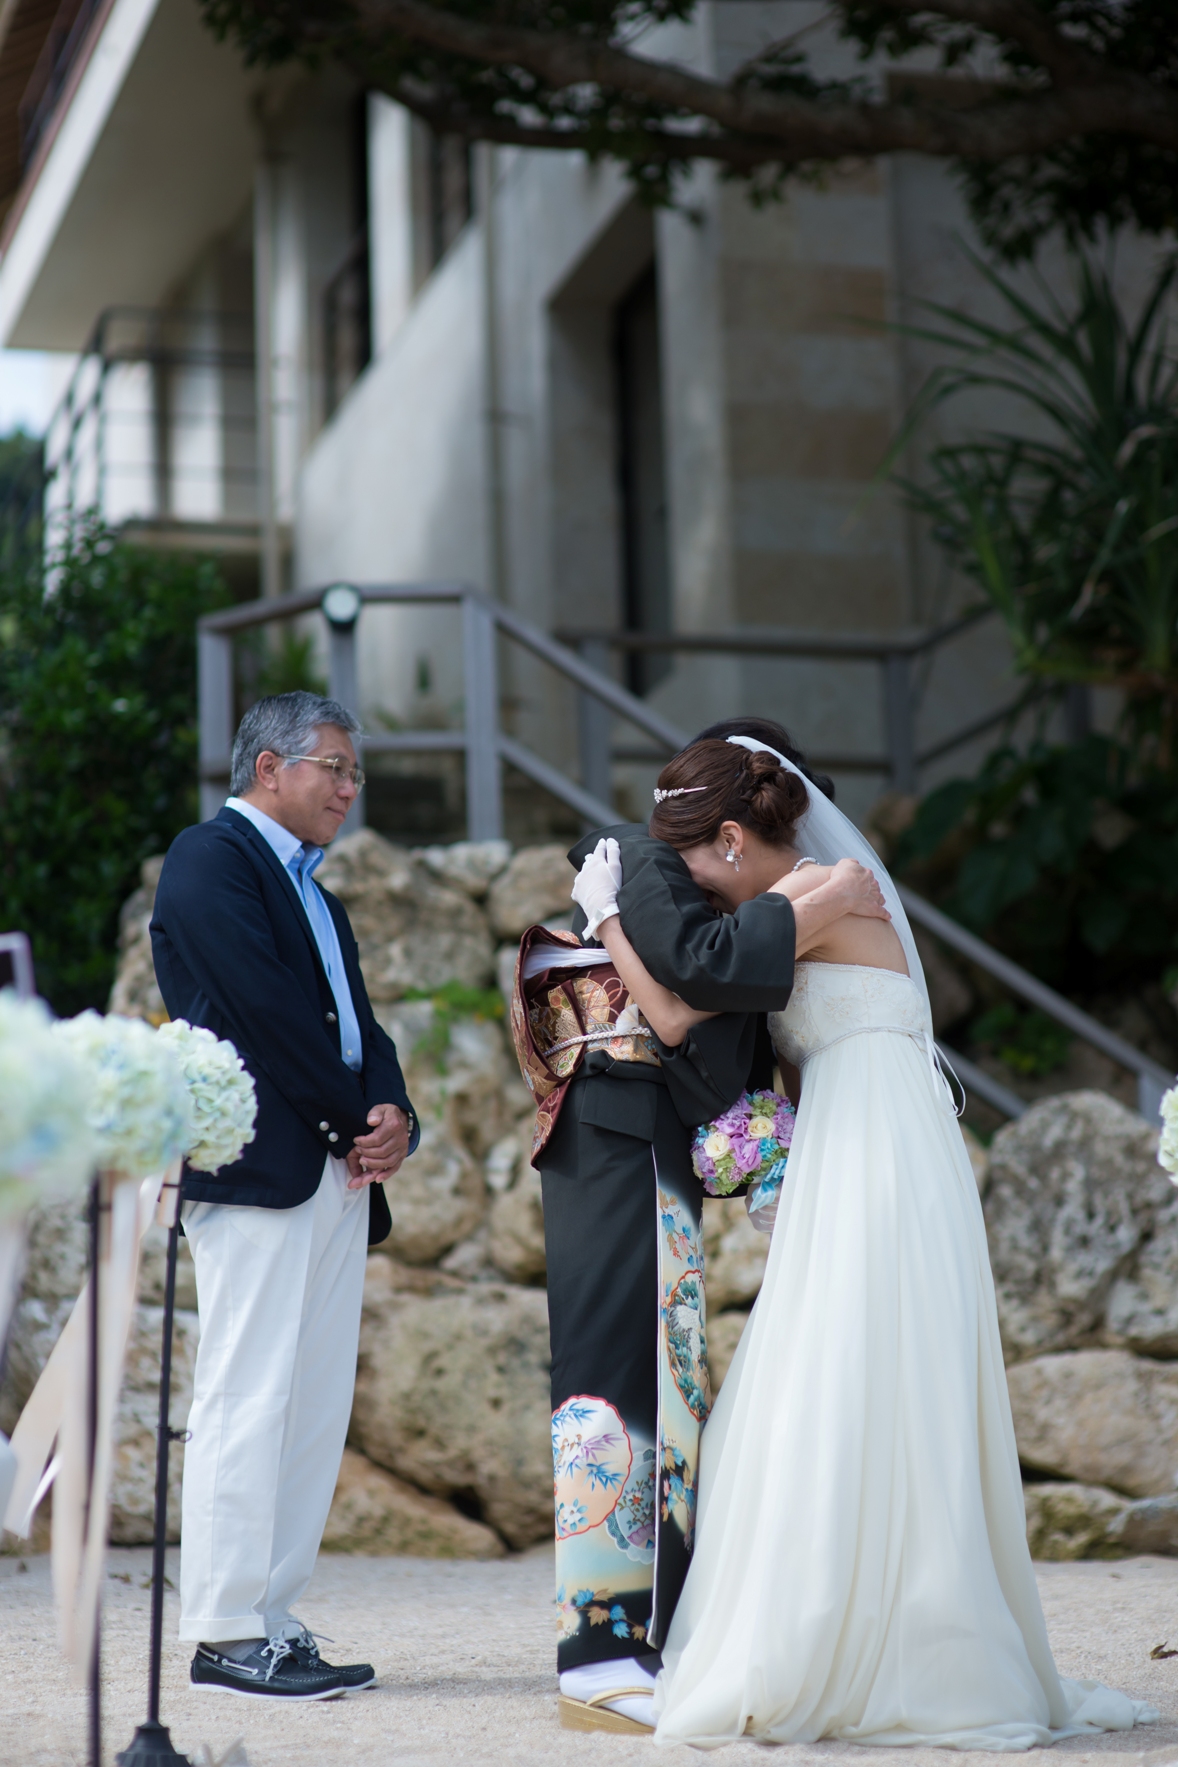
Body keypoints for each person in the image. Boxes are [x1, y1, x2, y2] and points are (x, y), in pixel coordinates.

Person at [583, 735, 1158, 1750]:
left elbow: (672, 1010)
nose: (696, 885)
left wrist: (606, 919)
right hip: (856, 1143)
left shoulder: (823, 892)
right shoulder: (799, 898)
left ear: (733, 838)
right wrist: (775, 1160)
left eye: (700, 862)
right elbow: (784, 1049)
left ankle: (879, 1644)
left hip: (881, 1153)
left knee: (846, 1373)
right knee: (845, 1373)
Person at [526, 740, 890, 1735]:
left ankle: (648, 1628)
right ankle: (597, 1648)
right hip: (615, 1132)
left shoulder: (698, 882)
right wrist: (821, 897)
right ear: (729, 826)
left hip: (651, 1139)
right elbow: (694, 985)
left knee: (670, 1382)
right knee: (612, 1378)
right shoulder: (637, 857)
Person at [150, 692, 418, 1701]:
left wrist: (395, 1112)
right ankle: (224, 1630)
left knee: (309, 1407)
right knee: (247, 1394)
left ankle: (272, 1617)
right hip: (262, 1170)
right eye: (334, 768)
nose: (349, 789)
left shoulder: (319, 894)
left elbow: (360, 1028)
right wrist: (356, 1119)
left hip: (335, 1173)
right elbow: (262, 1010)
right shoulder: (208, 858)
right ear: (269, 767)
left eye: (354, 772)